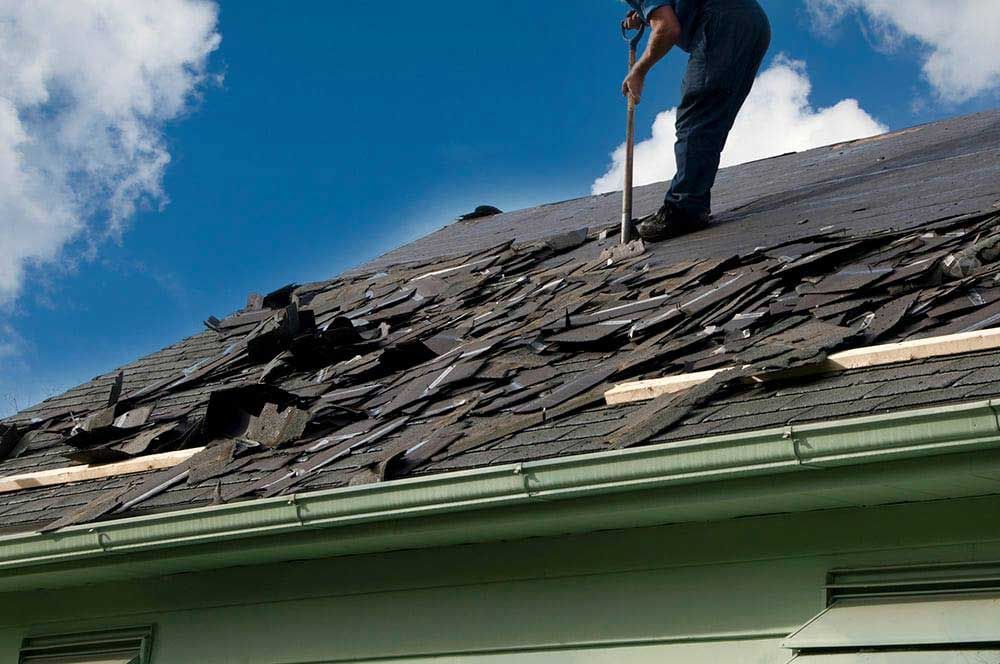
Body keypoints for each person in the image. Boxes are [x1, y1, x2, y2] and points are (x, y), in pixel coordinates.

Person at [621, 0, 770, 241]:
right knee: (710, 117)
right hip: (752, 24)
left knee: (696, 115)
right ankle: (691, 203)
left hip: (723, 25)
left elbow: (668, 28)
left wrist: (638, 71)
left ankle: (685, 208)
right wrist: (643, 14)